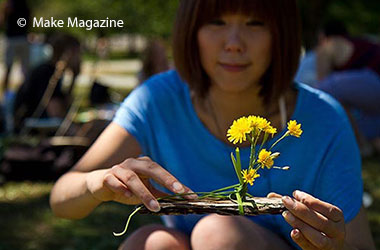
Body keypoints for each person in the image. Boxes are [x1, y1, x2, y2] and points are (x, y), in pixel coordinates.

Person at [50, 1, 376, 249]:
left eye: (255, 23)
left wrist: (333, 241)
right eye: (216, 22)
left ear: (282, 35)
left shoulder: (323, 118)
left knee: (218, 233)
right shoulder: (157, 99)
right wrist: (98, 183)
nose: (233, 42)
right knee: (150, 243)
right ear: (191, 32)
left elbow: (360, 243)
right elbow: (62, 198)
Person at [316, 20, 380, 155]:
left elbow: (321, 88)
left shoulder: (328, 46)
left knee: (321, 93)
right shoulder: (362, 43)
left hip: (374, 81)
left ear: (323, 35)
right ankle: (369, 143)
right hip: (372, 100)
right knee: (364, 126)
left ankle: (361, 146)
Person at [13, 33, 81, 133]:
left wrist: (74, 79)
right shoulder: (46, 73)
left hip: (39, 123)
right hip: (30, 127)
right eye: (78, 53)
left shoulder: (52, 72)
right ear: (68, 53)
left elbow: (64, 110)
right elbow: (56, 112)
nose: (79, 58)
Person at [0, 0, 30, 96]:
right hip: (17, 38)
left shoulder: (12, 3)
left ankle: (23, 93)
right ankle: (6, 94)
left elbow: (3, 19)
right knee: (18, 69)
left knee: (22, 69)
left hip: (15, 38)